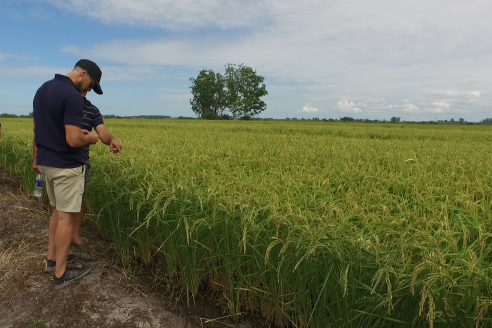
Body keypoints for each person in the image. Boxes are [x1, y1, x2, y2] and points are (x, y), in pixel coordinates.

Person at [32, 59, 102, 289]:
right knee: (65, 217)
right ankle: (61, 274)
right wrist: (91, 137)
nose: (88, 89)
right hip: (66, 166)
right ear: (83, 73)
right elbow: (73, 140)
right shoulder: (71, 95)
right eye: (90, 84)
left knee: (56, 212)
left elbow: (41, 129)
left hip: (46, 164)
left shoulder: (43, 89)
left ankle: (52, 260)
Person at [71, 91, 122, 253]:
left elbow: (103, 133)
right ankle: (60, 241)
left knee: (80, 199)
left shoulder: (92, 109)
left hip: (81, 162)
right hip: (60, 161)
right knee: (59, 205)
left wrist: (111, 140)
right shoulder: (64, 106)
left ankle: (75, 237)